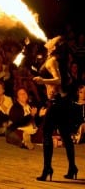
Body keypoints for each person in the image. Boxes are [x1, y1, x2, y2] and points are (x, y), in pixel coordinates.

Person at [33, 35, 78, 181]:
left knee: (46, 132)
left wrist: (42, 80)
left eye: (52, 40)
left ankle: (47, 169)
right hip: (62, 102)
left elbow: (58, 79)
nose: (48, 40)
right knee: (65, 134)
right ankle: (72, 167)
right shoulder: (56, 60)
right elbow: (68, 79)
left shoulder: (52, 61)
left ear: (55, 46)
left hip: (57, 102)